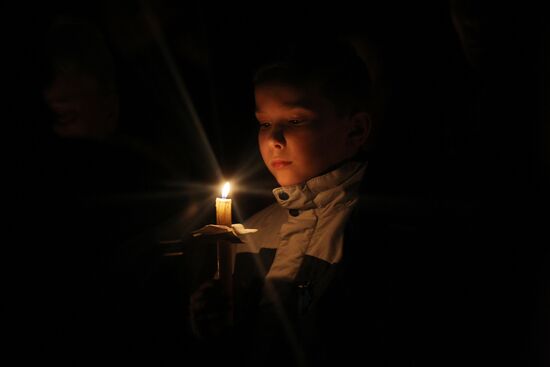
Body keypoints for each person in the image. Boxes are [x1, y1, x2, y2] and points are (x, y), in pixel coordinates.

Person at [187, 37, 410, 367]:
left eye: (294, 121)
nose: (274, 140)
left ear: (355, 131)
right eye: (265, 123)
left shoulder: (375, 229)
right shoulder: (251, 233)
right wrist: (213, 325)